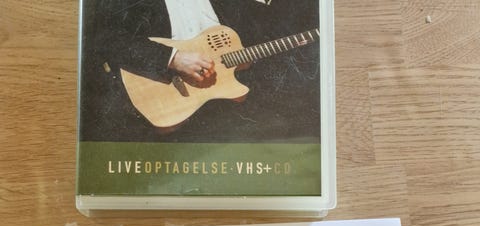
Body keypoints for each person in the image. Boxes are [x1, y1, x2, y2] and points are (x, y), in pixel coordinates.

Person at [79, 0, 320, 142]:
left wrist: (242, 54)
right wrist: (173, 59)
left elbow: (251, 24)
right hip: (164, 99)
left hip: (226, 100)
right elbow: (105, 38)